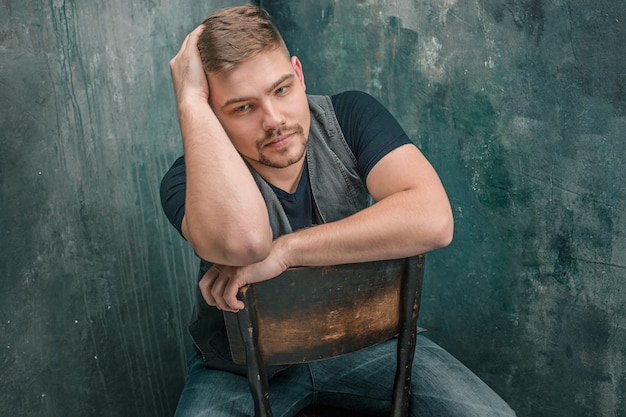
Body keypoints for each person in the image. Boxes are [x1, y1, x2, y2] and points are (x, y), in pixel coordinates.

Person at [160, 5, 516, 417]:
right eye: (243, 108)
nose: (274, 120)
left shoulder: (348, 116)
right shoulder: (188, 180)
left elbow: (433, 219)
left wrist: (287, 252)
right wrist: (189, 100)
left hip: (366, 342)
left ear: (299, 73)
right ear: (212, 115)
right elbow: (246, 244)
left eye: (281, 89)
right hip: (241, 367)